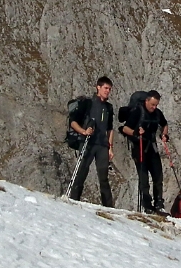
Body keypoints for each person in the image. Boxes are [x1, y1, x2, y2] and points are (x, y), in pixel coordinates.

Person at [68, 76, 115, 206]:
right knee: (82, 171)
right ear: (98, 87)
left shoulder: (109, 107)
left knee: (103, 176)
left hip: (102, 145)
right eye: (105, 88)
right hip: (87, 142)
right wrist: (83, 131)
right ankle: (74, 199)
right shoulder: (87, 103)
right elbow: (73, 122)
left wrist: (110, 147)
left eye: (109, 89)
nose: (107, 91)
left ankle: (108, 206)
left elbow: (110, 129)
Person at [123, 90, 169, 213]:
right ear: (146, 101)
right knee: (143, 178)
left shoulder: (157, 113)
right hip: (139, 147)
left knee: (158, 175)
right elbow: (125, 128)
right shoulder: (138, 112)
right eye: (152, 104)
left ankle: (159, 204)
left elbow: (164, 124)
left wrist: (164, 135)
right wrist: (135, 132)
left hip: (152, 147)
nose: (154, 107)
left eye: (156, 105)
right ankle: (147, 205)